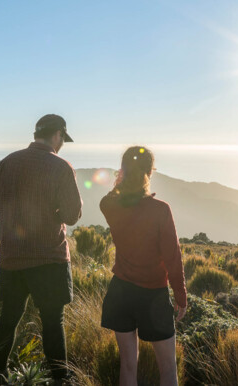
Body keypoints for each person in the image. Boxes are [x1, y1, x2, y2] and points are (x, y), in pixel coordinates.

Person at [0, 114, 83, 383]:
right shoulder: (61, 166)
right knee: (53, 321)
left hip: (12, 256)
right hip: (49, 258)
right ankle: (60, 378)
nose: (62, 144)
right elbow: (72, 215)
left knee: (8, 316)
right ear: (57, 135)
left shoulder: (6, 163)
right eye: (63, 139)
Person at [100, 146, 187, 386]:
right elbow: (173, 257)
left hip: (120, 293)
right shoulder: (160, 210)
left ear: (123, 171)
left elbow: (111, 196)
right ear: (149, 172)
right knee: (168, 369)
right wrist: (180, 295)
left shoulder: (109, 205)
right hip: (153, 297)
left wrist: (121, 180)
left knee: (128, 365)